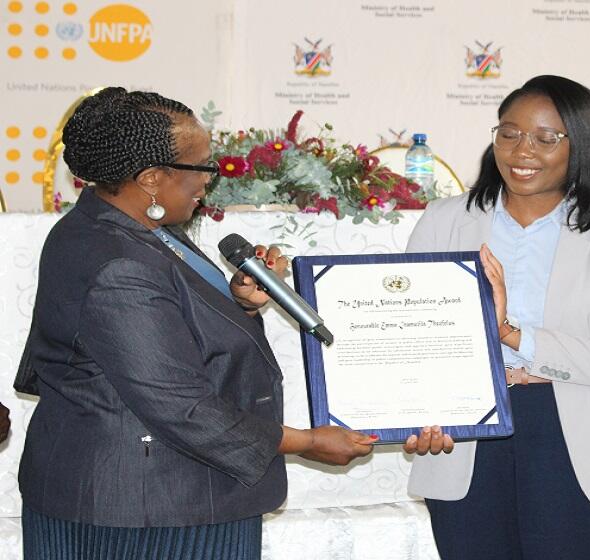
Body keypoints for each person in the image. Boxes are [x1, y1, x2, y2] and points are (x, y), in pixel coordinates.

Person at [12, 87, 400, 560]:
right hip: (146, 509)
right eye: (202, 168)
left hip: (167, 493)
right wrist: (306, 442)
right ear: (152, 177)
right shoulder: (118, 259)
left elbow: (171, 332)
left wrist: (240, 303)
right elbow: (180, 405)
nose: (208, 183)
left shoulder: (131, 228)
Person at [405, 75, 590, 559]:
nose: (522, 151)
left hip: (574, 437)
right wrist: (415, 408)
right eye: (509, 133)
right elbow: (413, 337)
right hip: (466, 436)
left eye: (546, 139)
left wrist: (511, 333)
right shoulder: (443, 219)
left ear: (582, 146)